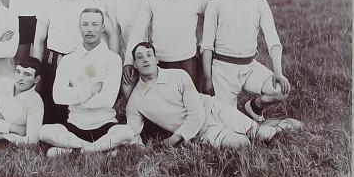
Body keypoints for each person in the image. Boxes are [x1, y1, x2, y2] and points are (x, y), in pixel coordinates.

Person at [126, 42, 302, 149]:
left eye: (149, 55)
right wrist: (140, 148)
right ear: (134, 64)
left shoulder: (178, 75)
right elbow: (132, 133)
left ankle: (280, 125)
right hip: (203, 133)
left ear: (157, 59)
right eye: (140, 57)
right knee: (243, 144)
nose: (145, 59)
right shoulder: (135, 101)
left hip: (213, 109)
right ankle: (261, 125)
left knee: (260, 135)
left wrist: (175, 138)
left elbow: (196, 114)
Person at [200, 0, 290, 122]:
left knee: (280, 90)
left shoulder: (259, 2)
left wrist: (278, 71)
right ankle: (241, 119)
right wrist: (208, 78)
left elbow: (273, 41)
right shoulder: (217, 1)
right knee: (228, 121)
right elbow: (206, 45)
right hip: (223, 69)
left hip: (249, 66)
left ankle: (255, 108)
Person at [33, 0, 119, 124]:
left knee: (87, 113)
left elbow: (112, 34)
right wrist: (37, 70)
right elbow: (38, 39)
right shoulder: (49, 3)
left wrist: (112, 63)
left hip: (85, 66)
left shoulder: (93, 3)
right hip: (55, 65)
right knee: (53, 119)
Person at [39, 8, 134, 156]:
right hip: (75, 124)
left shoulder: (113, 59)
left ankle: (79, 150)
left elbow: (107, 101)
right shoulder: (68, 60)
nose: (90, 29)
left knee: (127, 132)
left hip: (105, 123)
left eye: (95, 24)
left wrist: (74, 97)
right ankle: (99, 149)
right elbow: (58, 97)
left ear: (103, 28)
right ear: (80, 27)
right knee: (44, 132)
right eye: (85, 24)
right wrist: (89, 92)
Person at [122, 0, 207, 91]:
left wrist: (205, 46)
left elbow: (215, 21)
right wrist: (128, 61)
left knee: (188, 100)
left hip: (188, 60)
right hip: (159, 61)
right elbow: (138, 30)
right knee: (161, 102)